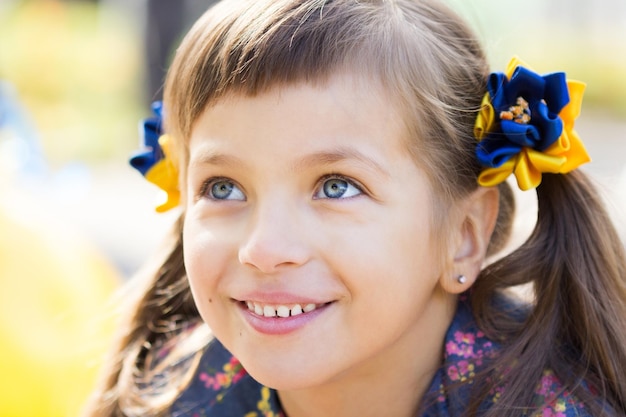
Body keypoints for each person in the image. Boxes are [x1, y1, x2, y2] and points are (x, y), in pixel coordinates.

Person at [83, 0, 626, 416]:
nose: (264, 249)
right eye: (223, 188)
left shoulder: (551, 405)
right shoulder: (174, 389)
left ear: (463, 234)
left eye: (337, 186)